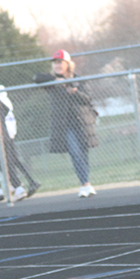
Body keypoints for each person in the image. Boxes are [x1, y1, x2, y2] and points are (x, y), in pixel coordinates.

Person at [34, 50, 99, 198]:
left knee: (83, 154)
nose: (57, 65)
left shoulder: (77, 79)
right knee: (75, 153)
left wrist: (74, 92)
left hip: (81, 123)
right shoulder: (51, 81)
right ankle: (85, 185)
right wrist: (55, 80)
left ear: (67, 64)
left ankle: (85, 182)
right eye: (55, 63)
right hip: (65, 125)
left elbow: (87, 99)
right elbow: (36, 78)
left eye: (60, 62)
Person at [0, 65, 41, 197]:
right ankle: (22, 183)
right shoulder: (2, 96)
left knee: (8, 160)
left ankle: (20, 184)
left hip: (3, 133)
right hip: (8, 132)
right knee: (11, 160)